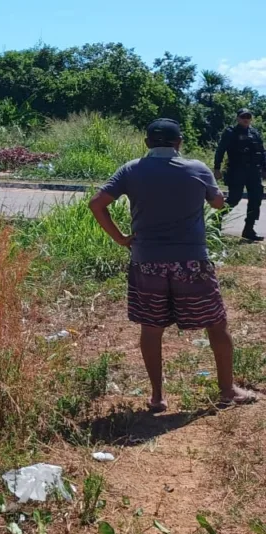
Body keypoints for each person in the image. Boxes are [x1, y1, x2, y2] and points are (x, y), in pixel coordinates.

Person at [89, 118, 257, 412]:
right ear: (179, 143)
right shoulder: (197, 169)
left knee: (152, 329)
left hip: (147, 263)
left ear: (147, 143)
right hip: (191, 262)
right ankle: (228, 391)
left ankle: (156, 397)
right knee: (216, 325)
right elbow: (218, 203)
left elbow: (97, 203)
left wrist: (121, 239)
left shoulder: (131, 170)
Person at [214, 108, 265, 242]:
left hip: (254, 171)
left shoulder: (254, 133)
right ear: (237, 118)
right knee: (234, 199)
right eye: (243, 116)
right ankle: (215, 222)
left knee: (255, 200)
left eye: (248, 116)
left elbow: (262, 152)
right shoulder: (231, 132)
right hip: (237, 171)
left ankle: (249, 229)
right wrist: (217, 168)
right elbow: (220, 150)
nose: (246, 119)